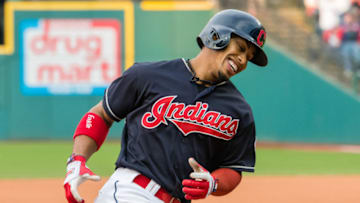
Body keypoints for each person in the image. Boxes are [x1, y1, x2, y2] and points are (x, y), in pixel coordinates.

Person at [64, 9, 268, 203]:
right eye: (241, 48)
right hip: (131, 192)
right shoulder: (148, 76)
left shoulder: (239, 111)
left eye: (248, 58)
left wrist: (213, 184)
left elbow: (232, 168)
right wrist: (77, 160)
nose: (242, 60)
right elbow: (101, 114)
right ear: (217, 36)